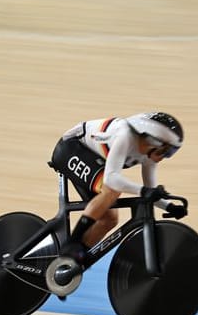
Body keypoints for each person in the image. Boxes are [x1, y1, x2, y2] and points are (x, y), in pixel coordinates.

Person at [50, 111, 188, 264]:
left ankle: (72, 261)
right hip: (71, 149)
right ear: (152, 140)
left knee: (110, 219)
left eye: (171, 153)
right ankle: (72, 244)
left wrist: (169, 207)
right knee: (113, 190)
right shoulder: (125, 135)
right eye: (166, 150)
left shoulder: (149, 154)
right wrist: (143, 191)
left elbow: (151, 190)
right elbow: (112, 178)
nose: (165, 157)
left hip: (95, 160)